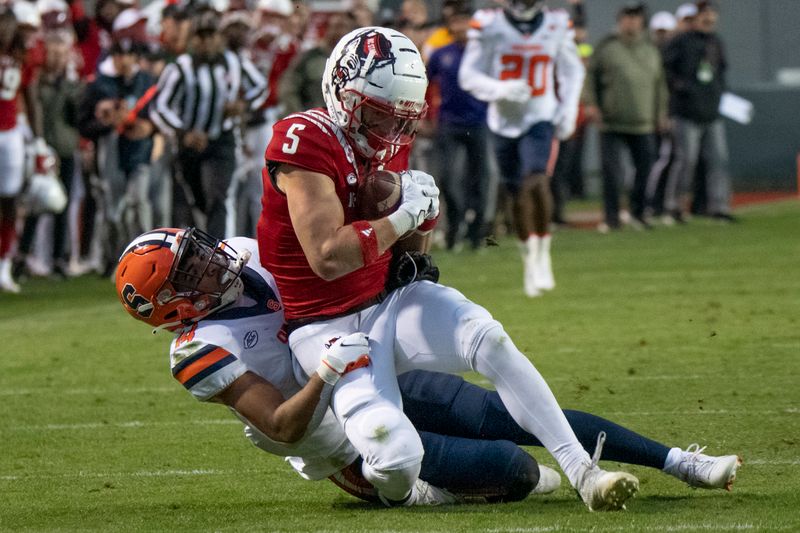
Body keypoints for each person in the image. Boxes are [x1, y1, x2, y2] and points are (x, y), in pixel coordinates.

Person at [257, 26, 637, 511]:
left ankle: (584, 470)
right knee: (393, 458)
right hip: (323, 329)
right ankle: (415, 494)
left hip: (384, 302)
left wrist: (423, 216)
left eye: (401, 121)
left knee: (488, 337)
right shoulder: (303, 140)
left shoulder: (388, 138)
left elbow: (412, 257)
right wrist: (401, 216)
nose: (391, 133)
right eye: (378, 116)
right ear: (343, 93)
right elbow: (328, 258)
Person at [115, 227, 742, 505]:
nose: (210, 264)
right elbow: (280, 425)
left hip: (375, 366)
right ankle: (478, 489)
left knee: (502, 413)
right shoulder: (196, 351)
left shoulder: (249, 252)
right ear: (173, 307)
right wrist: (324, 375)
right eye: (191, 273)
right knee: (508, 466)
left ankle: (680, 462)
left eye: (197, 253)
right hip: (341, 438)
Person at [458, 0, 585, 297]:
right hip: (503, 121)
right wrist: (499, 88)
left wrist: (568, 109)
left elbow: (572, 71)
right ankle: (529, 258)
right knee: (515, 193)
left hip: (541, 116)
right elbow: (469, 75)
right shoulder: (489, 23)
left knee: (536, 181)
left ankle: (544, 254)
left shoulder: (555, 23)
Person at [584, 2, 668, 231]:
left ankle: (639, 212)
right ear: (620, 20)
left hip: (643, 122)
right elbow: (590, 77)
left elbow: (660, 84)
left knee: (646, 168)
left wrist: (661, 112)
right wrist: (591, 104)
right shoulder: (607, 47)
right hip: (611, 120)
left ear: (641, 21)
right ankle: (611, 219)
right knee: (612, 173)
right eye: (627, 17)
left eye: (636, 17)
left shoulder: (650, 48)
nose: (631, 22)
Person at [662, 0, 735, 224]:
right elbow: (667, 70)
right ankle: (673, 205)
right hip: (687, 112)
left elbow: (721, 72)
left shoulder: (715, 42)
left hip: (712, 111)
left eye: (712, 14)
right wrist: (682, 90)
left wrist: (719, 94)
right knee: (686, 161)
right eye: (705, 14)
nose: (709, 18)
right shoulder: (681, 41)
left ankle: (719, 207)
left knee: (718, 161)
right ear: (696, 17)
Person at [426, 3, 490, 250]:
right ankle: (454, 229)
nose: (460, 27)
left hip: (478, 122)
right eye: (456, 22)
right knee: (449, 179)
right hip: (449, 124)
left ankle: (476, 235)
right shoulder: (441, 54)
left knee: (480, 180)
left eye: (464, 21)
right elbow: (425, 84)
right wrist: (427, 117)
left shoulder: (484, 54)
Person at [0, 5, 45, 293]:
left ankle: (4, 264)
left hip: (10, 134)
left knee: (9, 201)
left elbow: (31, 99)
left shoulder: (21, 57)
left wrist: (39, 141)